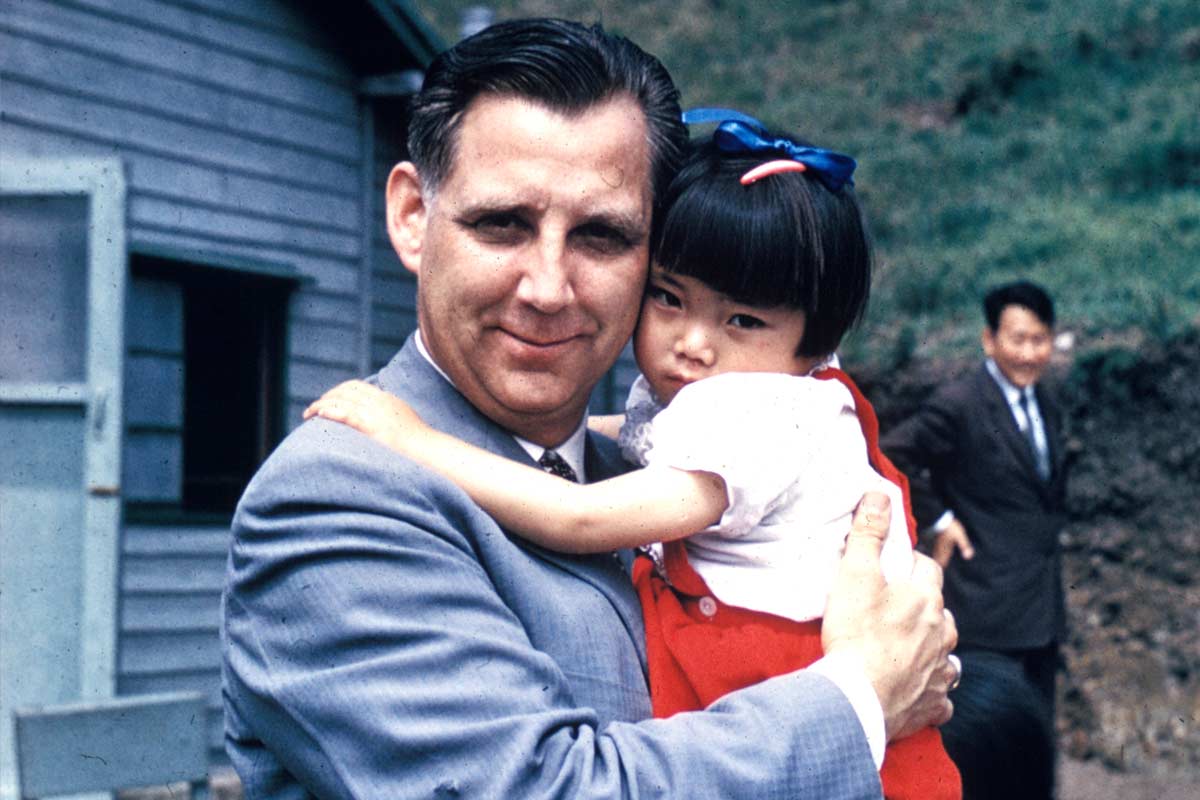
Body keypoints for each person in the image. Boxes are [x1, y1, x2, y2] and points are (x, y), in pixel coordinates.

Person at [222, 19, 958, 799]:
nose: (547, 288)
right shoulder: (337, 496)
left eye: (601, 237)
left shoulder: (639, 468)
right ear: (412, 216)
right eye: (501, 224)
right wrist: (860, 699)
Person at [881, 280, 1066, 730]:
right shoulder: (960, 403)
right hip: (985, 612)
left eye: (1039, 340)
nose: (1028, 353)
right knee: (988, 746)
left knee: (1033, 747)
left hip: (1041, 610)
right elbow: (891, 454)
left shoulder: (1046, 400)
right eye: (1017, 339)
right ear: (989, 340)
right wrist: (941, 519)